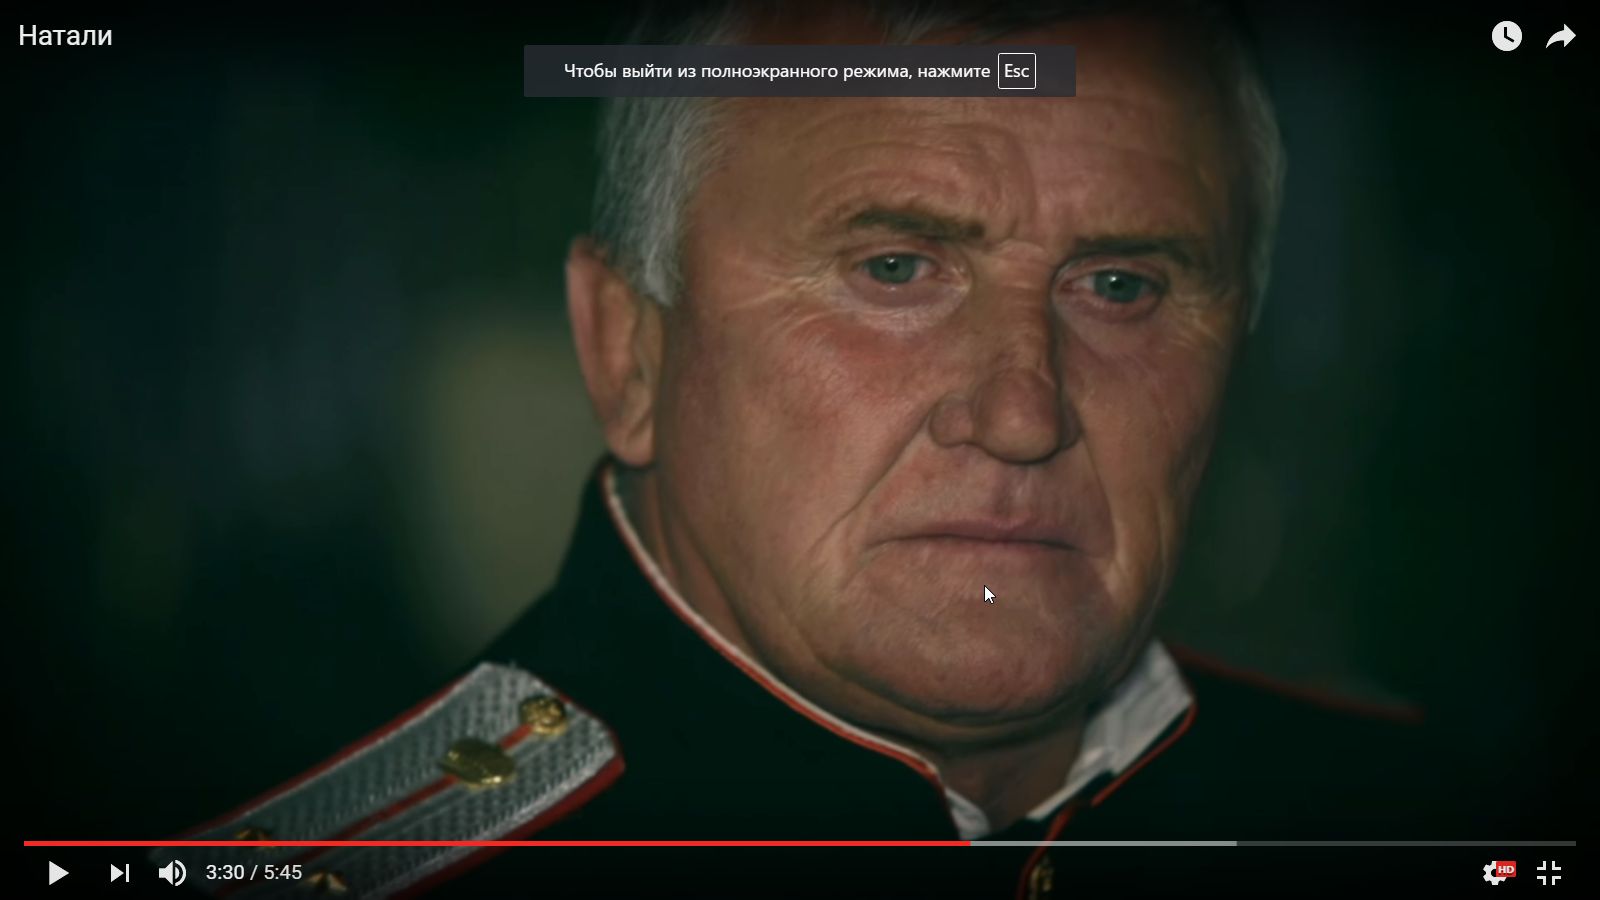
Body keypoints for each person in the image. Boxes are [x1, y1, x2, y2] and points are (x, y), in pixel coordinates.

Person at [159, 3, 1464, 897]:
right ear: (628, 353)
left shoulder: (1409, 816)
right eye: (894, 269)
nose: (1024, 414)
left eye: (1121, 287)